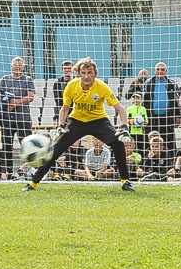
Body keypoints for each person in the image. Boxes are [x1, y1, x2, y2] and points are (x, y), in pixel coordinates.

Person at [24, 57, 134, 192]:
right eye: (83, 73)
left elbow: (120, 109)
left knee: (117, 143)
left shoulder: (102, 87)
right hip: (77, 121)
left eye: (90, 72)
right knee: (55, 150)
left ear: (95, 74)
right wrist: (60, 125)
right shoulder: (71, 86)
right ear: (78, 74)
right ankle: (33, 183)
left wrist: (124, 126)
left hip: (98, 121)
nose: (86, 76)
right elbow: (64, 109)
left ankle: (125, 181)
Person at [0, 57, 36, 176]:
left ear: (24, 66)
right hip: (7, 118)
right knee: (6, 145)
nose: (17, 66)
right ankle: (7, 172)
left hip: (23, 117)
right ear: (11, 66)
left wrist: (15, 102)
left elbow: (30, 97)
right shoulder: (4, 79)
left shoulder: (28, 79)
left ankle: (28, 170)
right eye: (15, 65)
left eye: (20, 65)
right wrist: (7, 100)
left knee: (26, 144)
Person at [141, 62, 181, 151]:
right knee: (151, 139)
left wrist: (177, 116)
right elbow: (143, 100)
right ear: (154, 71)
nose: (160, 71)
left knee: (169, 140)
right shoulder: (148, 83)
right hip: (152, 117)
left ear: (166, 71)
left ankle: (171, 160)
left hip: (167, 116)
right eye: (158, 69)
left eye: (162, 70)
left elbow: (176, 101)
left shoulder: (172, 84)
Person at [126, 92, 149, 157]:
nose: (136, 100)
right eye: (134, 98)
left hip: (140, 132)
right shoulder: (129, 109)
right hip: (132, 132)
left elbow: (146, 121)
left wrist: (142, 123)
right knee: (133, 148)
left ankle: (141, 162)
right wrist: (132, 122)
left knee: (141, 148)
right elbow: (127, 120)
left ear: (141, 99)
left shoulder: (143, 109)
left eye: (138, 98)